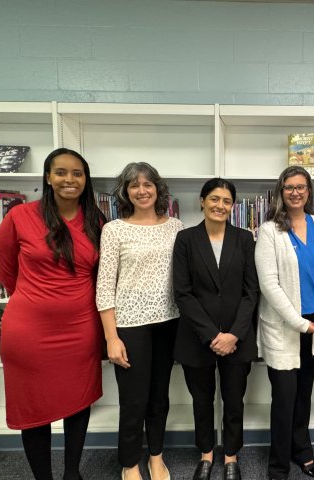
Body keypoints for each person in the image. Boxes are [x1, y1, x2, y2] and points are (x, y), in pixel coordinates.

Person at [0, 148, 106, 480]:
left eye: (77, 173)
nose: (69, 179)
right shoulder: (20, 216)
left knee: (79, 401)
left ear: (86, 180)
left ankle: (72, 472)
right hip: (29, 331)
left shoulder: (97, 222)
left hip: (81, 328)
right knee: (34, 409)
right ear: (47, 177)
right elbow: (6, 271)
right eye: (61, 172)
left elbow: (101, 274)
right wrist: (38, 300)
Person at [96, 162, 184, 480]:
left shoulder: (175, 226)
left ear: (158, 189)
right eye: (134, 185)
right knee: (134, 399)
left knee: (159, 396)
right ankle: (130, 462)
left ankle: (156, 457)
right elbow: (104, 286)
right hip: (129, 325)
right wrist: (111, 337)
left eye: (148, 184)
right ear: (126, 192)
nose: (142, 190)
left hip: (169, 322)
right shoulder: (114, 230)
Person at [255, 166, 314, 480]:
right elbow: (269, 285)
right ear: (281, 191)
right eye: (289, 187)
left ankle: (302, 450)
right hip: (284, 326)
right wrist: (299, 323)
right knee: (285, 396)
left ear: (309, 191)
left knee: (304, 393)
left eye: (301, 187)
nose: (295, 192)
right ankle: (278, 463)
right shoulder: (268, 231)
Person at [173, 178, 258, 480]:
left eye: (226, 201)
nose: (220, 205)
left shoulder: (245, 239)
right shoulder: (185, 239)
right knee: (202, 399)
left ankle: (232, 456)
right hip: (197, 338)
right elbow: (182, 293)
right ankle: (206, 454)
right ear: (202, 201)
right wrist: (212, 335)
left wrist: (234, 334)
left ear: (232, 206)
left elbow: (252, 293)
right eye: (214, 199)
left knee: (234, 400)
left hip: (238, 338)